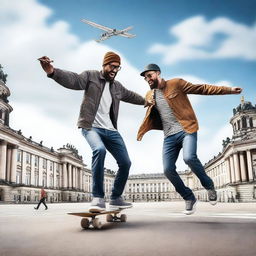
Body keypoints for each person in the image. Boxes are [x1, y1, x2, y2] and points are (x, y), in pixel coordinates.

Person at [38, 52, 147, 212]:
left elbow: (131, 95)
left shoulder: (117, 86)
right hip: (90, 126)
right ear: (104, 65)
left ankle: (116, 198)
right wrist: (52, 72)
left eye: (117, 67)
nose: (114, 70)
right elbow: (74, 80)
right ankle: (97, 198)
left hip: (111, 130)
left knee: (125, 162)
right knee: (99, 150)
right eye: (112, 66)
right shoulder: (91, 76)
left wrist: (146, 101)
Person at [137, 64, 242, 215]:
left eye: (150, 75)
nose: (148, 79)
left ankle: (209, 186)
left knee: (189, 157)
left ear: (158, 73)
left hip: (187, 130)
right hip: (169, 137)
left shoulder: (176, 83)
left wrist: (229, 90)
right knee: (167, 170)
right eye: (145, 77)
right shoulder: (149, 94)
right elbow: (143, 106)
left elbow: (202, 88)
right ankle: (189, 197)